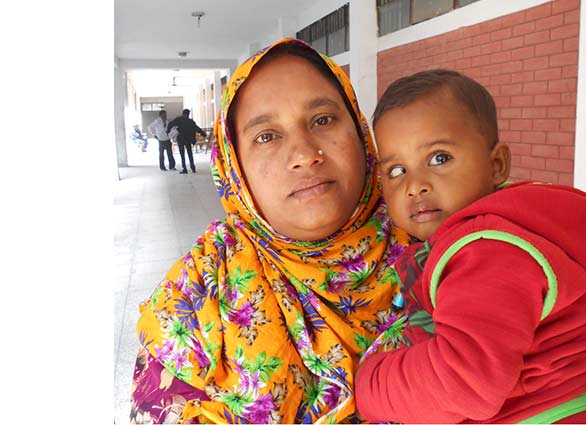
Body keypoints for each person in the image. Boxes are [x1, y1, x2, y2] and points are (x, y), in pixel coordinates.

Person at [130, 38, 411, 424]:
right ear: (235, 167)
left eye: (323, 120)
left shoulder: (446, 252)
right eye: (266, 136)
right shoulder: (198, 292)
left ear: (360, 133)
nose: (305, 155)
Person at [354, 69, 586, 424]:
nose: (415, 185)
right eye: (396, 171)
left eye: (439, 158)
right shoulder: (512, 228)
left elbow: (463, 383)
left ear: (496, 164)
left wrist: (370, 384)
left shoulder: (487, 251)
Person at [167, 109, 207, 174]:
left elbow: (170, 124)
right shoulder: (190, 121)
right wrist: (203, 133)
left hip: (180, 139)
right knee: (189, 153)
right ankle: (193, 167)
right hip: (188, 139)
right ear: (188, 114)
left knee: (182, 154)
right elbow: (196, 128)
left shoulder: (178, 120)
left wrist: (168, 131)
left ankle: (184, 169)